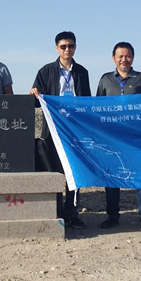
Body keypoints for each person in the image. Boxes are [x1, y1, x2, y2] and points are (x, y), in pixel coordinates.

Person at [29, 31, 91, 229]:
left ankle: (72, 213)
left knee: (74, 171)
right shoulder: (46, 71)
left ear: (75, 48)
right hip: (53, 130)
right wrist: (34, 94)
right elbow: (36, 102)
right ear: (57, 48)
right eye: (63, 46)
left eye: (70, 46)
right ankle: (56, 211)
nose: (67, 50)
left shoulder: (82, 72)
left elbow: (86, 102)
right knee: (55, 171)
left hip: (74, 130)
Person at [96, 42, 141, 233]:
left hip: (136, 138)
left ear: (133, 58)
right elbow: (97, 108)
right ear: (113, 58)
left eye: (128, 56)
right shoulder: (105, 79)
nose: (124, 59)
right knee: (112, 177)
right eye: (120, 56)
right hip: (112, 138)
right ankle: (112, 216)